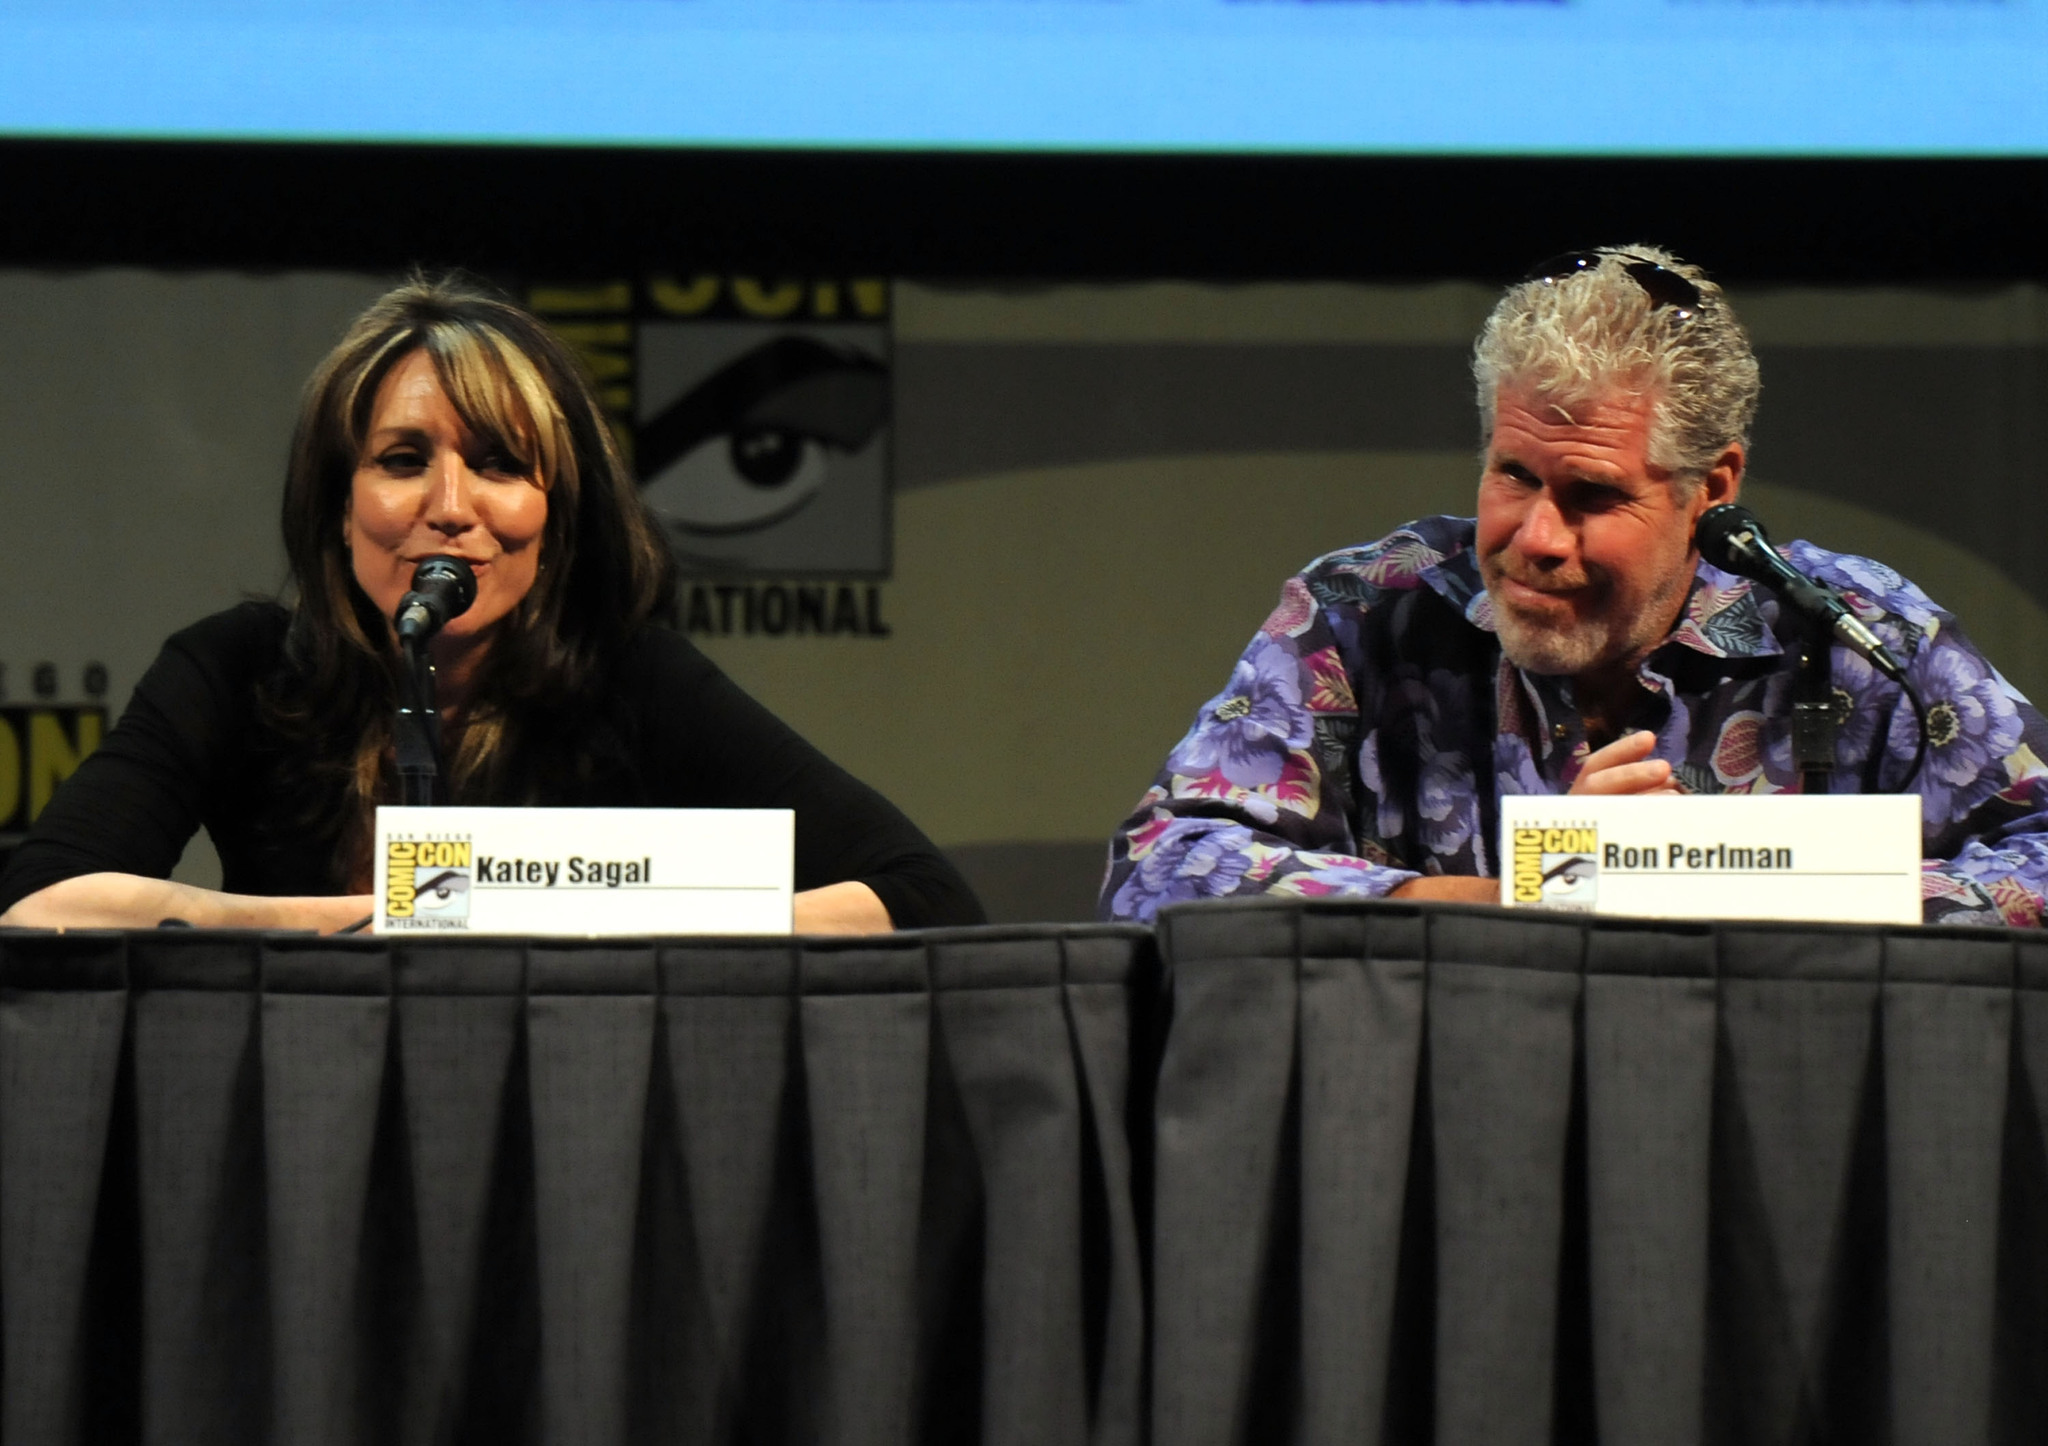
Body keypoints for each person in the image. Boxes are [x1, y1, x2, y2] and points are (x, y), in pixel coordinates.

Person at [0, 276, 981, 934]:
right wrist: (344, 923)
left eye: (502, 465)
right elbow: (37, 904)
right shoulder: (235, 667)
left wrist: (624, 914)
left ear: (555, 519)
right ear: (339, 508)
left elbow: (923, 899)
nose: (450, 508)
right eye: (401, 461)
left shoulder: (628, 676)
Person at [1102, 246, 2048, 927]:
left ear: (1710, 487)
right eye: (1514, 476)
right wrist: (1533, 895)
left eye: (1593, 495)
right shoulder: (1358, 620)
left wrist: (1735, 884)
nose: (1537, 539)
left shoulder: (1853, 635)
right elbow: (1159, 873)